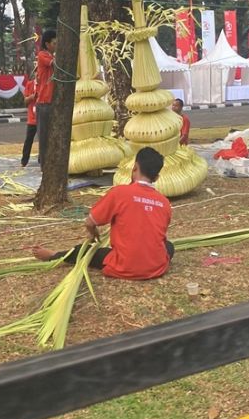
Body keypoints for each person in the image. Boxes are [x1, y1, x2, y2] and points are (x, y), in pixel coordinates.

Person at [31, 148, 175, 280]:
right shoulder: (165, 203)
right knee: (169, 246)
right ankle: (151, 261)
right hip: (156, 267)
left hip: (124, 265)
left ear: (135, 167)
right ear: (156, 178)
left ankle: (54, 255)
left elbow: (89, 222)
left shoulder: (119, 193)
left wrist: (93, 233)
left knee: (87, 251)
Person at [35, 30, 57, 168]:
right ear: (47, 44)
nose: (56, 45)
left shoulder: (50, 55)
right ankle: (44, 164)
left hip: (51, 101)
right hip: (44, 102)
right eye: (54, 43)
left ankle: (47, 161)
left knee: (51, 135)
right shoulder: (43, 55)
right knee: (44, 136)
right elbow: (57, 65)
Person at [20, 76, 38, 166]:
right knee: (28, 140)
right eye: (36, 72)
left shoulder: (45, 83)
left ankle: (42, 160)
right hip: (32, 119)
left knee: (43, 141)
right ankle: (24, 160)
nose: (38, 74)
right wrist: (32, 97)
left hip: (42, 118)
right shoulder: (29, 84)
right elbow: (25, 101)